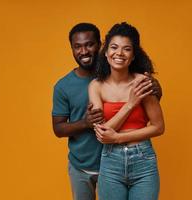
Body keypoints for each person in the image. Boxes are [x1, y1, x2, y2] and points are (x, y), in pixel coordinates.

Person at [52, 23, 162, 200]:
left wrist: (155, 88)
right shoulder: (77, 86)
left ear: (99, 46)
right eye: (77, 46)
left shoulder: (138, 79)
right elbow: (60, 129)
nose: (84, 51)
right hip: (88, 163)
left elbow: (156, 122)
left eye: (89, 44)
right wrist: (87, 123)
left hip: (133, 157)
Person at [88, 22, 165, 200]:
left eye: (126, 49)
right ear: (106, 53)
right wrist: (130, 104)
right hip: (110, 161)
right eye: (114, 47)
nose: (119, 53)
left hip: (143, 160)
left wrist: (118, 137)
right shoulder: (96, 86)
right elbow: (102, 133)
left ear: (133, 56)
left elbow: (159, 127)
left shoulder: (143, 82)